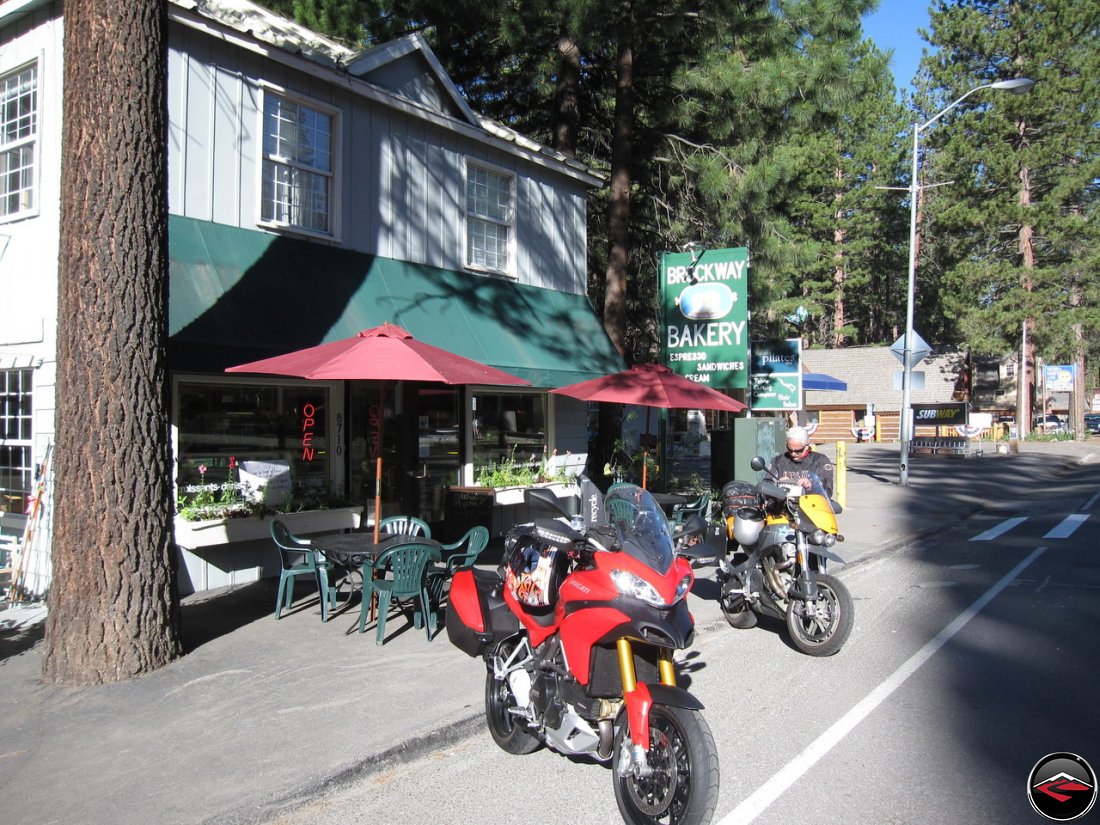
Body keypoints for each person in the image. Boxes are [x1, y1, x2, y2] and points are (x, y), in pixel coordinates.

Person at [767, 425, 834, 498]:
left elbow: (827, 490)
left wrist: (810, 485)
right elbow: (767, 483)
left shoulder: (820, 461)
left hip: (810, 505)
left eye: (798, 451)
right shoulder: (778, 461)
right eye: (789, 449)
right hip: (784, 504)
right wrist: (778, 484)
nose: (793, 454)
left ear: (806, 446)